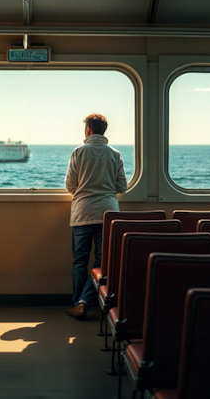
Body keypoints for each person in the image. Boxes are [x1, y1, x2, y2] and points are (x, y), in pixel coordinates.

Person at [65, 113, 128, 320]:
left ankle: (78, 303)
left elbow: (70, 185)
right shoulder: (115, 154)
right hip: (107, 214)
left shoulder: (78, 152)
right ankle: (87, 300)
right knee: (102, 261)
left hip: (83, 212)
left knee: (79, 260)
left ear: (88, 130)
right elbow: (122, 186)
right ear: (104, 131)